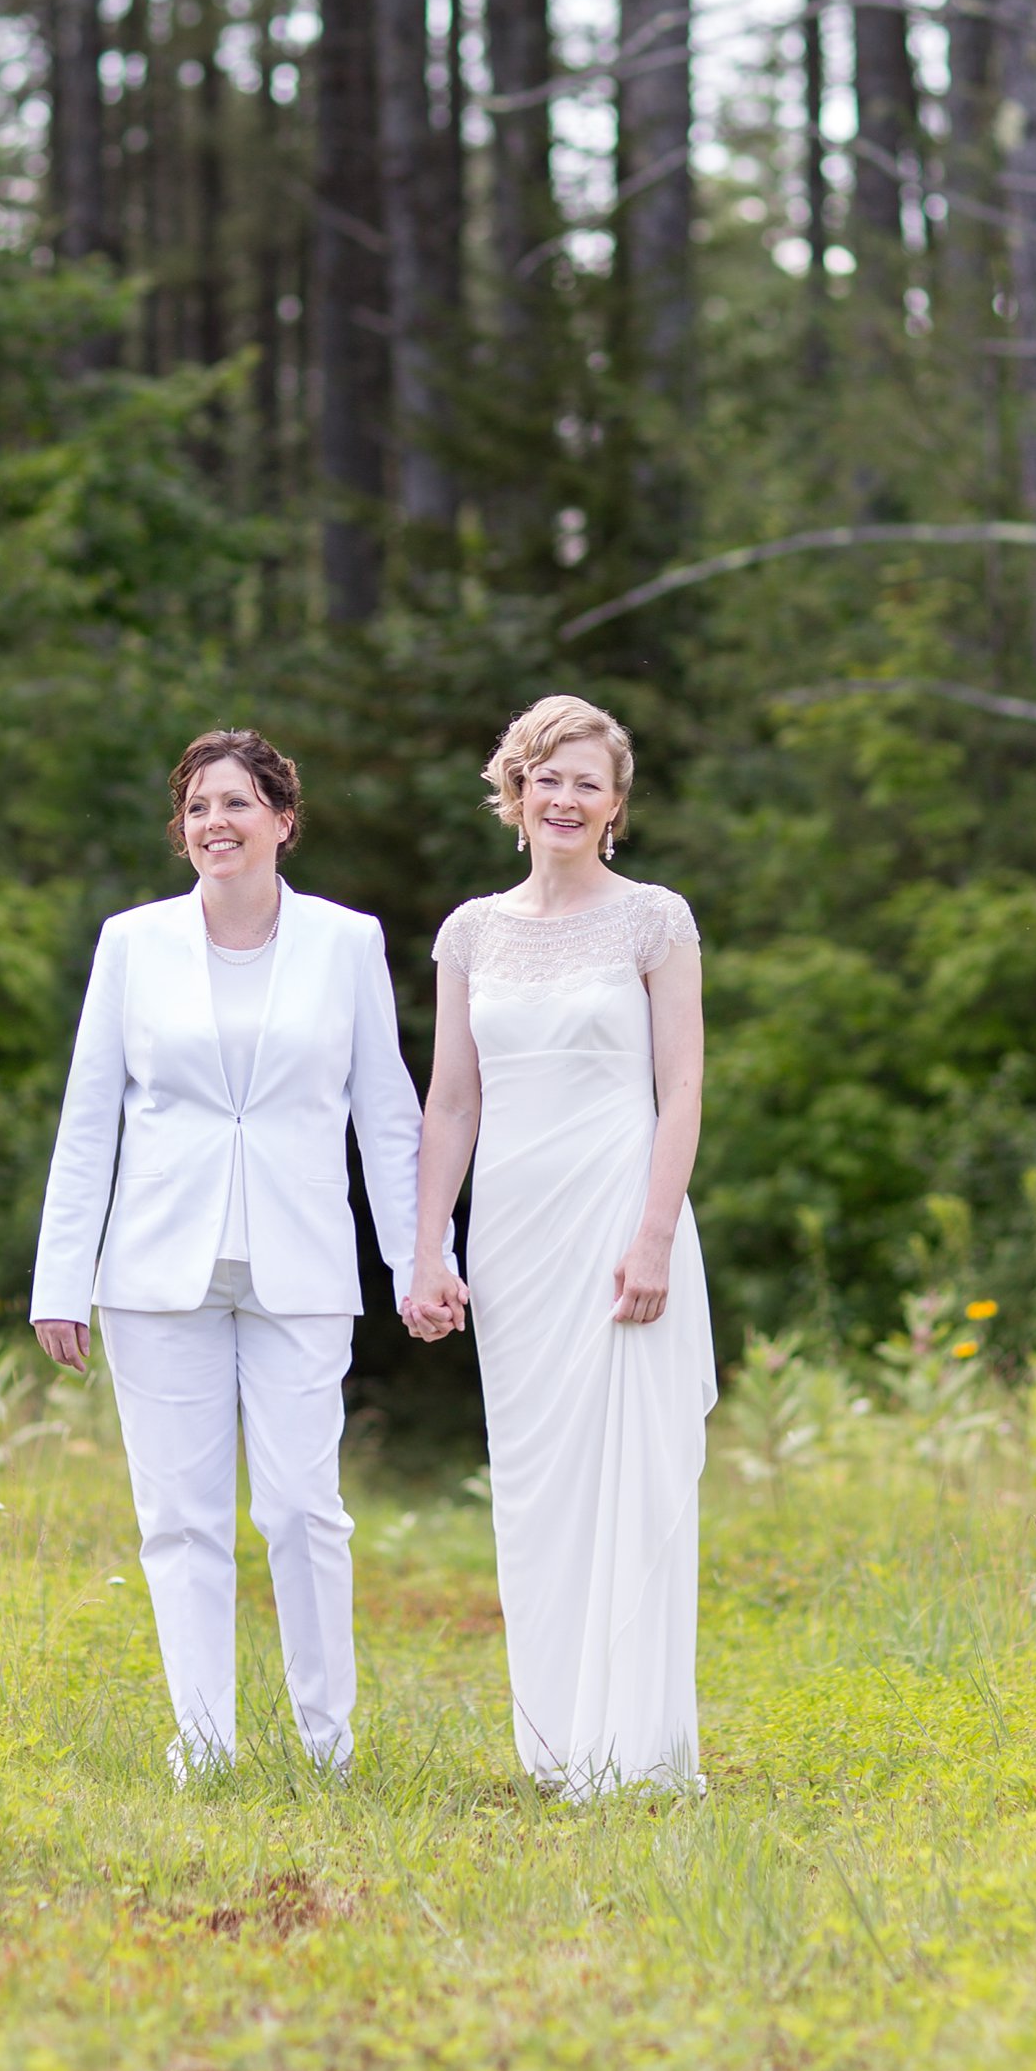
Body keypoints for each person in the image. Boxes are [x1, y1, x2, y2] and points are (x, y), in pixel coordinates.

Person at [29, 726, 430, 1778]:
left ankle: (326, 1745)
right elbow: (88, 1118)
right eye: (198, 805)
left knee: (303, 1508)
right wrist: (59, 1278)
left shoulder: (345, 942)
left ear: (282, 820)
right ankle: (202, 1744)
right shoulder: (133, 943)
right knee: (180, 1519)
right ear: (182, 828)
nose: (217, 820)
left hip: (299, 1262)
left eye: (238, 802)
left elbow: (386, 1111)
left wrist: (415, 1256)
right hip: (155, 1268)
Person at [403, 693, 716, 1796]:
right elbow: (449, 1102)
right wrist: (425, 1244)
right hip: (515, 1232)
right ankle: (553, 1740)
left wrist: (652, 1235)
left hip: (617, 1217)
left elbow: (678, 1088)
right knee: (537, 1484)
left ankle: (632, 1745)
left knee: (624, 1474)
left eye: (587, 780)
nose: (565, 797)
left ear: (615, 802)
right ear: (515, 791)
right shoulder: (472, 931)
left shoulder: (653, 920)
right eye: (547, 776)